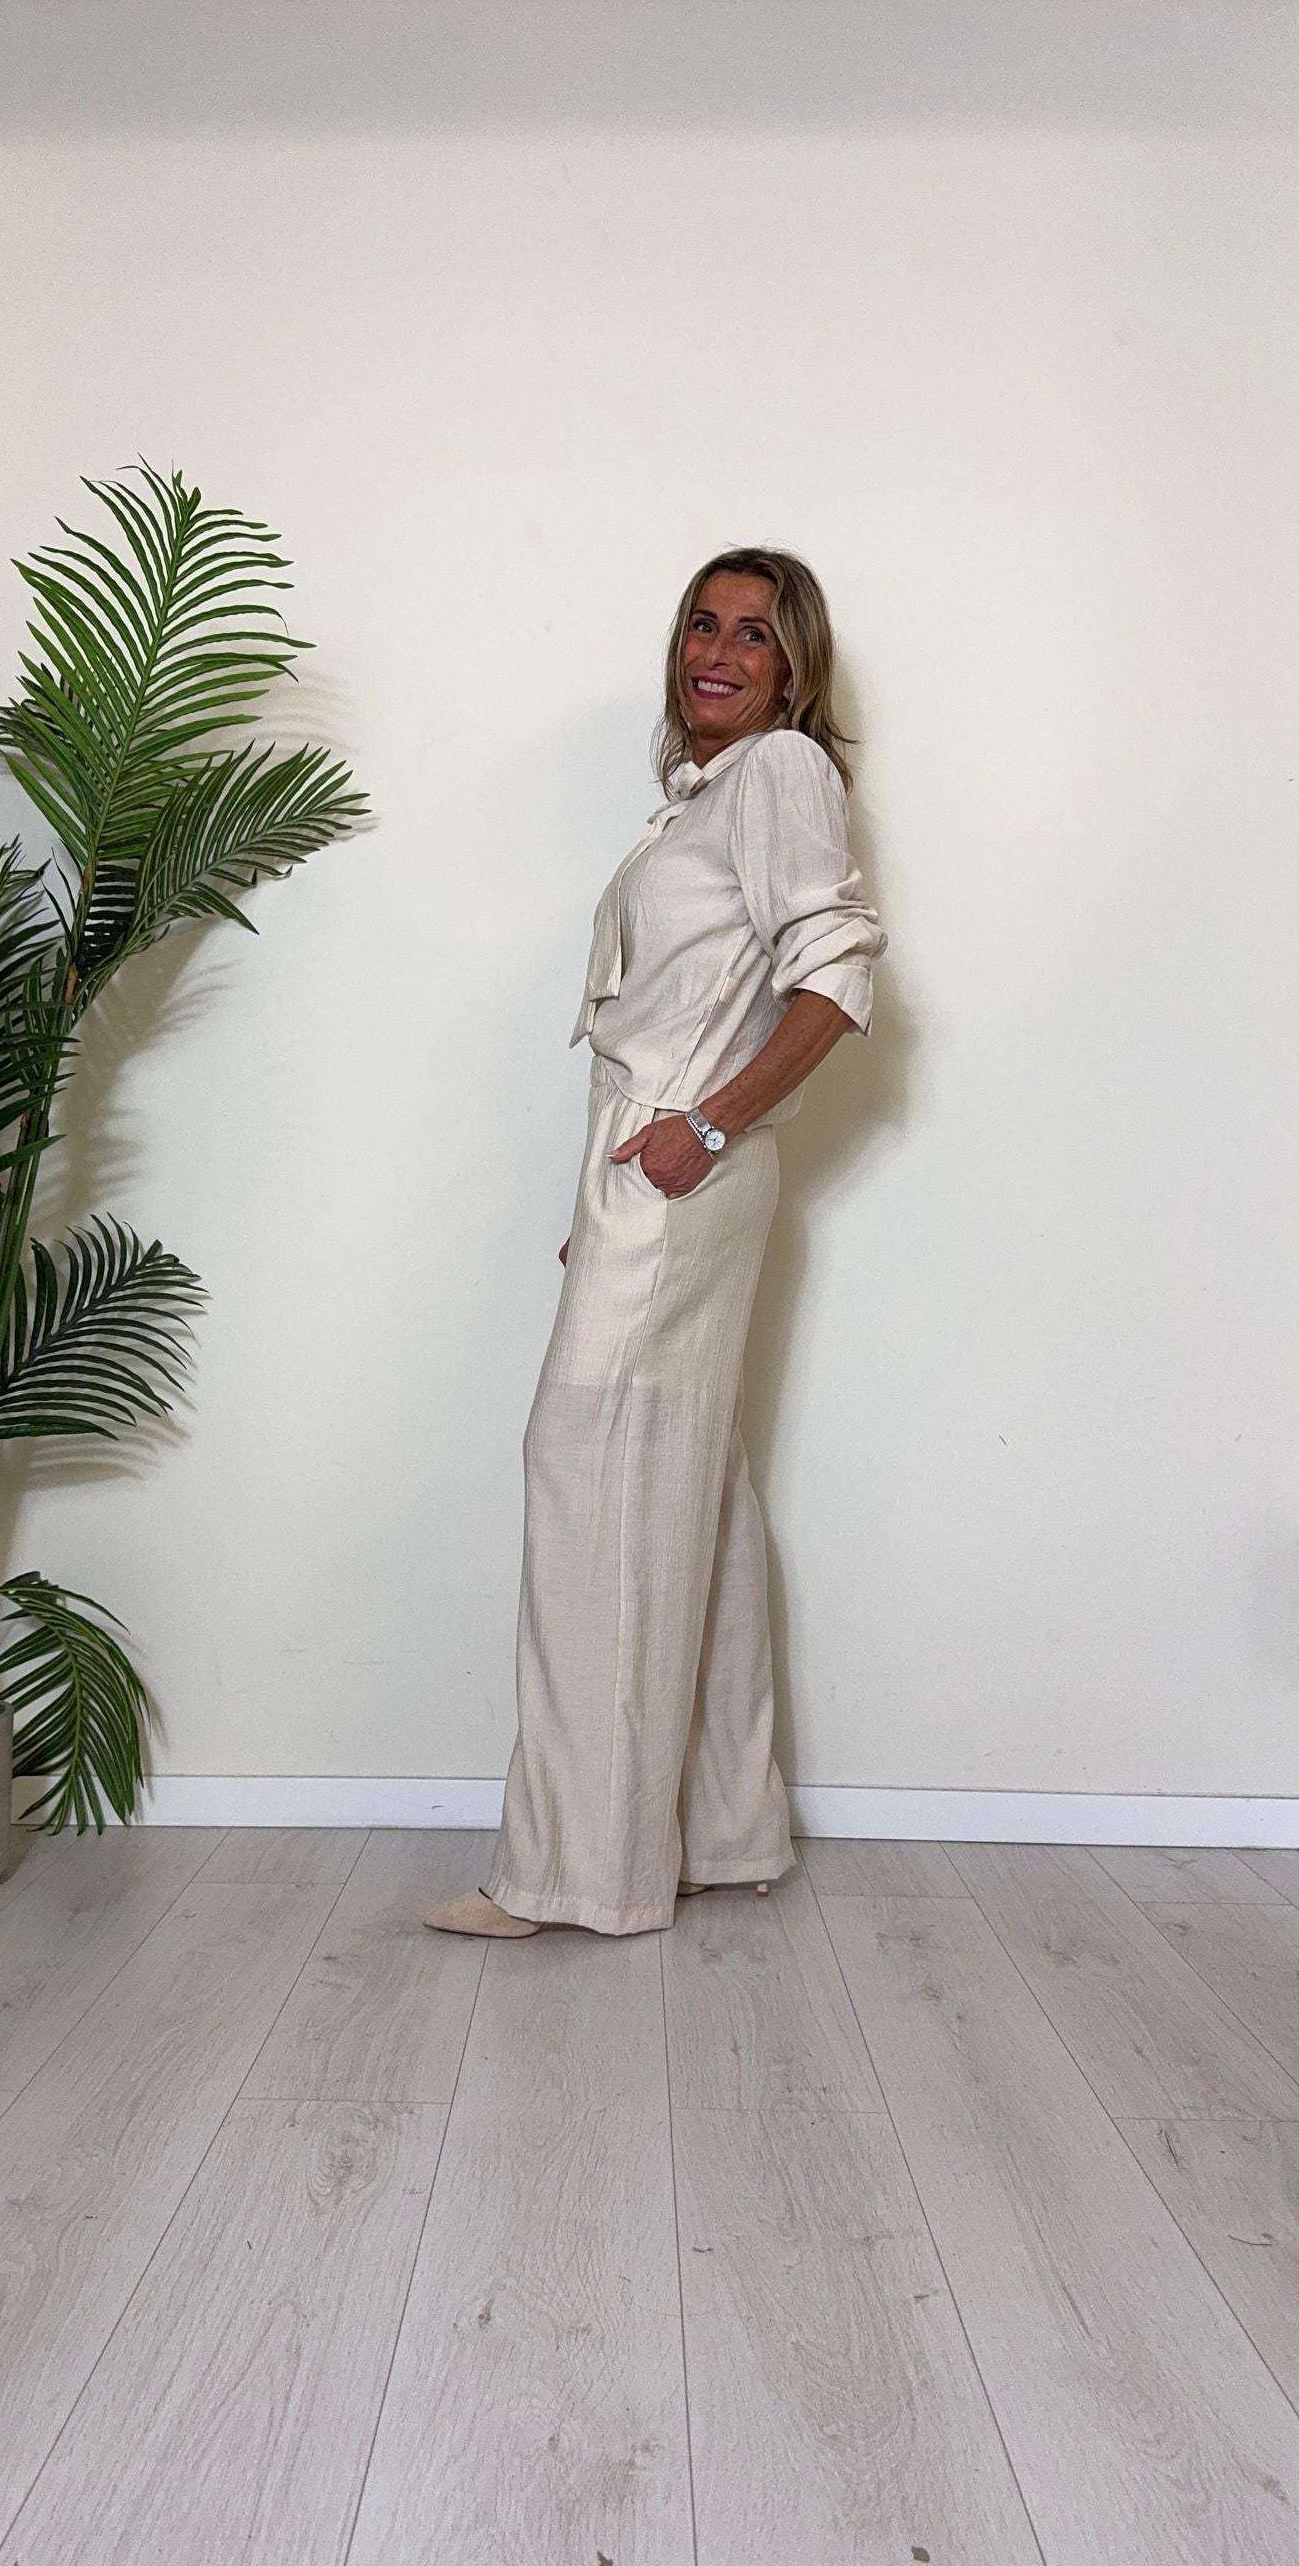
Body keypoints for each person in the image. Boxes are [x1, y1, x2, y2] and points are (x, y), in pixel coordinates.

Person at [426, 547, 887, 1940]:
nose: (717, 651)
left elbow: (837, 976)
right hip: (651, 1172)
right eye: (703, 623)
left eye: (754, 633)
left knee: (594, 1480)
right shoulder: (704, 794)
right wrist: (609, 1205)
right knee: (688, 1484)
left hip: (683, 1159)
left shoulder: (778, 773)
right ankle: (715, 1832)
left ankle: (578, 1871)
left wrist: (705, 1128)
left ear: (793, 669)